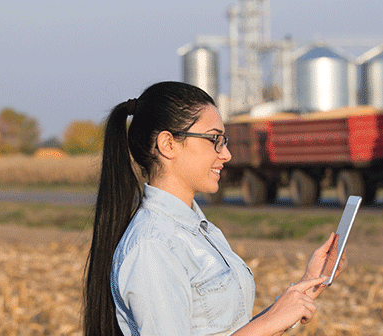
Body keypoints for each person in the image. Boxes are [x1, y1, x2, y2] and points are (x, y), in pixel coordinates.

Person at [83, 81, 343, 335]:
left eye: (224, 140)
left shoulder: (199, 230)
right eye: (214, 139)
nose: (226, 154)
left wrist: (301, 291)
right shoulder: (153, 246)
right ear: (168, 145)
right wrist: (268, 323)